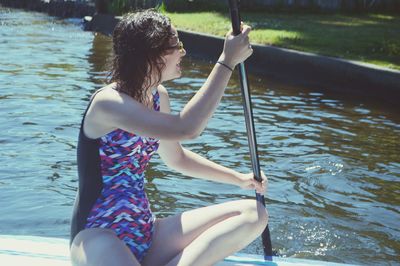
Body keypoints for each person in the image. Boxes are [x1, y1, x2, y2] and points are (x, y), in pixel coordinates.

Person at [70, 9, 268, 266]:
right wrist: (227, 61)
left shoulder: (157, 96)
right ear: (152, 54)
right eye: (176, 45)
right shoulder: (108, 103)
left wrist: (239, 179)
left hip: (147, 233)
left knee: (254, 214)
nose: (183, 52)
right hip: (97, 238)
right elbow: (186, 128)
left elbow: (177, 158)